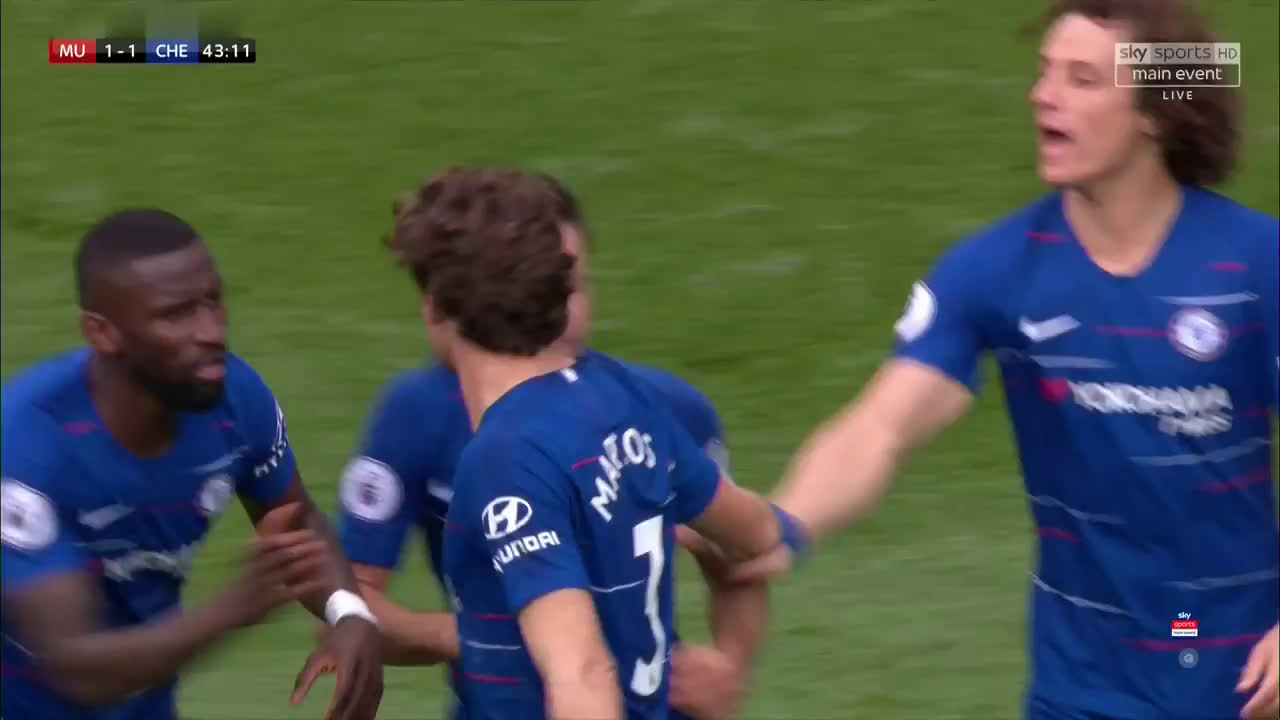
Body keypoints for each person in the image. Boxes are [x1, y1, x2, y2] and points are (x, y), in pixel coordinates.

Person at [736, 1, 1279, 719]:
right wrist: (788, 522)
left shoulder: (1255, 265)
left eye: (1082, 79)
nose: (1043, 95)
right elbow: (881, 426)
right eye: (1045, 72)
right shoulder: (998, 271)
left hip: (1242, 680)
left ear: (1155, 113)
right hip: (1080, 689)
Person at [381, 167, 808, 719]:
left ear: (435, 308)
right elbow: (755, 533)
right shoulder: (625, 395)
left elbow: (581, 672)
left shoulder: (506, 458)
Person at [0, 209, 384, 720]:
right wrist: (229, 610)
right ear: (102, 333)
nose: (212, 331)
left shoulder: (235, 398)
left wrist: (349, 613)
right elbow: (76, 669)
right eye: (175, 315)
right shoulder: (27, 445)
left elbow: (295, 518)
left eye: (213, 301)